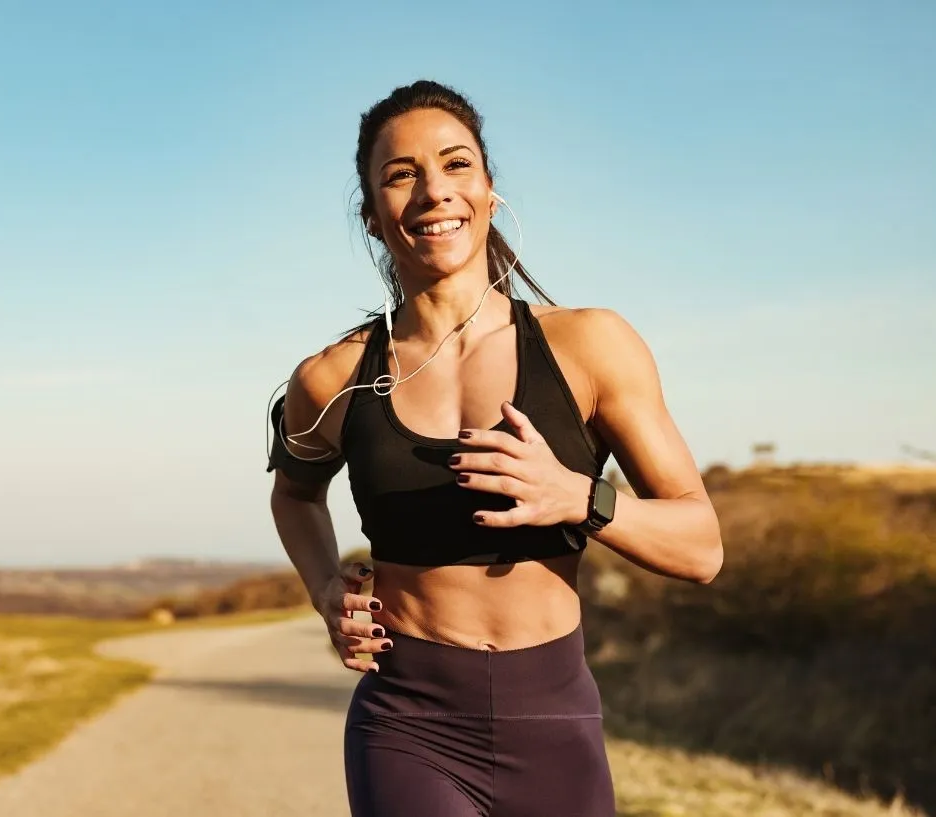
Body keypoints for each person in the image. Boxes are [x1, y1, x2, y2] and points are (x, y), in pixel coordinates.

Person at [266, 80, 723, 817]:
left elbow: (702, 547)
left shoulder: (592, 347)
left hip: (553, 723)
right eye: (401, 174)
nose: (432, 192)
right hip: (405, 723)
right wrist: (324, 589)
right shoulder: (332, 378)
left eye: (455, 165)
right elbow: (294, 492)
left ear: (488, 191)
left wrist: (581, 496)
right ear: (373, 218)